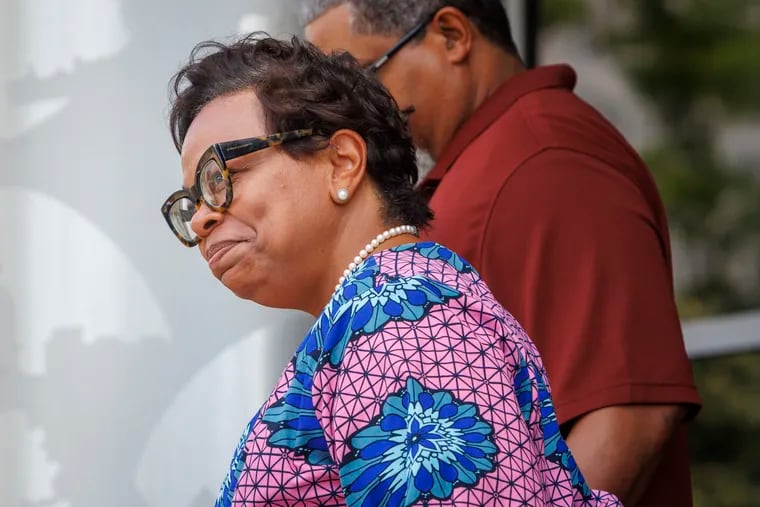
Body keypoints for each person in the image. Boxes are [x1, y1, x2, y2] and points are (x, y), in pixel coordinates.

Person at [161, 33, 621, 506]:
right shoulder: (386, 316)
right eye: (191, 202)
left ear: (342, 163)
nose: (201, 218)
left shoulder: (405, 326)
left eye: (219, 177)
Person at [302, 2, 702, 505]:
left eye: (363, 79)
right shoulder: (504, 160)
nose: (353, 117)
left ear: (450, 35)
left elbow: (629, 412)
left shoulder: (547, 161)